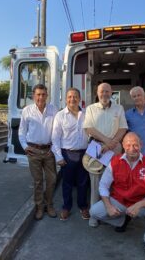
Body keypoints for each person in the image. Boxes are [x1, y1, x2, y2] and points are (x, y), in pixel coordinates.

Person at [89, 132, 145, 260]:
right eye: (128, 145)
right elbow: (103, 185)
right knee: (94, 212)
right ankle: (122, 220)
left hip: (142, 204)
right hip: (120, 202)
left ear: (141, 145)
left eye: (135, 145)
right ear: (123, 146)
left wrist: (139, 205)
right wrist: (108, 206)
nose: (132, 149)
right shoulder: (114, 162)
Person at [83, 82, 128, 227]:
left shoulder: (118, 108)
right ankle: (94, 215)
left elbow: (123, 128)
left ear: (111, 93)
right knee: (95, 182)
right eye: (102, 91)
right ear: (97, 93)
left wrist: (112, 143)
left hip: (114, 149)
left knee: (113, 183)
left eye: (107, 91)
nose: (104, 94)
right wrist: (107, 141)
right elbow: (89, 128)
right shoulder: (90, 109)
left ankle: (110, 213)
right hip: (97, 148)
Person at [19, 84, 58, 220]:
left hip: (49, 150)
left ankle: (49, 205)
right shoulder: (27, 111)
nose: (40, 97)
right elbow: (22, 132)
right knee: (38, 181)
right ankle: (40, 207)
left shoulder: (54, 110)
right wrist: (24, 146)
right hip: (33, 150)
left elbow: (57, 131)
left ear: (47, 95)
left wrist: (55, 150)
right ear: (33, 96)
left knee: (52, 180)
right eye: (38, 94)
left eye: (43, 94)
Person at [51, 88, 90, 221]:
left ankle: (83, 206)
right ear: (65, 99)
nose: (72, 99)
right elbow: (55, 138)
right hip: (67, 154)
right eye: (69, 97)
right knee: (67, 183)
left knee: (83, 182)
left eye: (75, 97)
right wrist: (59, 157)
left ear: (80, 99)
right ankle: (66, 207)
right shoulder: (60, 115)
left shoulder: (86, 114)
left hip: (84, 154)